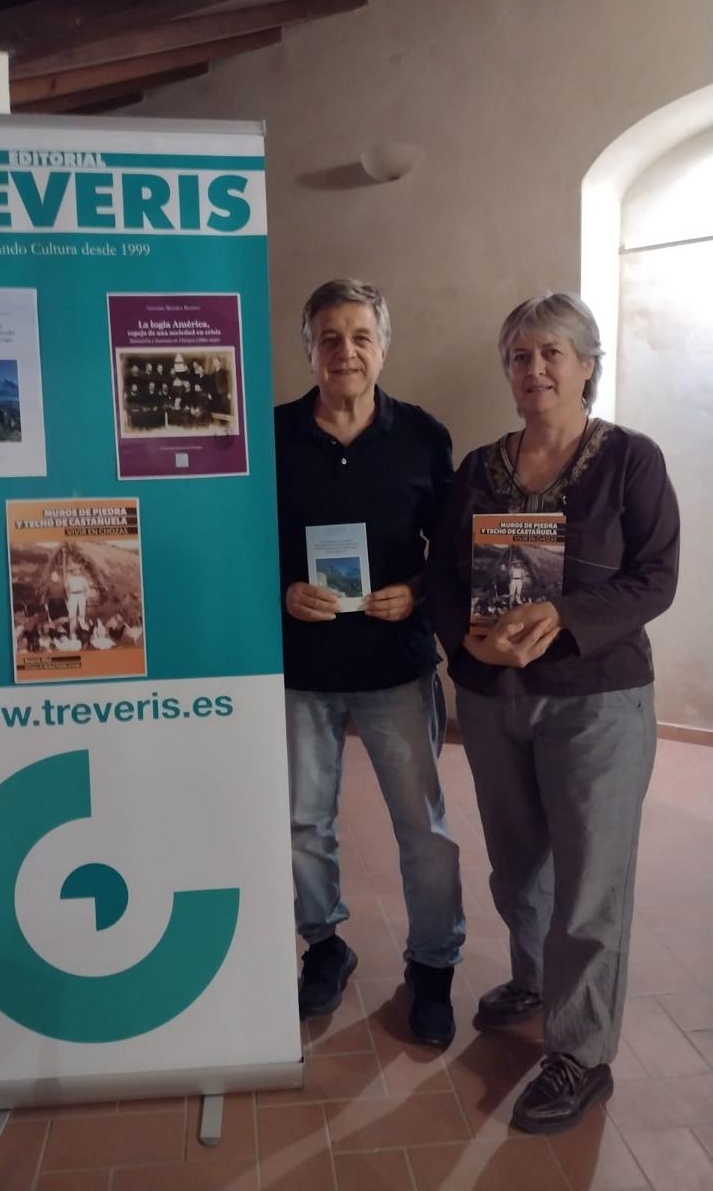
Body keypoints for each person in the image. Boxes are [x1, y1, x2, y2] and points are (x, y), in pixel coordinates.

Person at [427, 292, 679, 1133]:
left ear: (586, 366)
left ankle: (580, 1051)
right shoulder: (478, 467)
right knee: (517, 860)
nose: (534, 370)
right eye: (519, 356)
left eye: (552, 354)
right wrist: (467, 645)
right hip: (496, 698)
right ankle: (536, 978)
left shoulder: (630, 461)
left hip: (597, 702)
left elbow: (656, 577)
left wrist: (564, 618)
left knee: (591, 880)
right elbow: (444, 578)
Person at [275, 278, 465, 1046]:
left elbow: (450, 555)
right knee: (301, 823)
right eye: (328, 336)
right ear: (309, 348)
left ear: (383, 345)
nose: (344, 351)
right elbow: (240, 542)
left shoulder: (423, 436)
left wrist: (416, 590)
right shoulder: (273, 434)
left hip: (394, 663)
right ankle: (325, 947)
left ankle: (432, 967)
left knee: (422, 827)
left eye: (360, 336)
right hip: (300, 668)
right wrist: (281, 590)